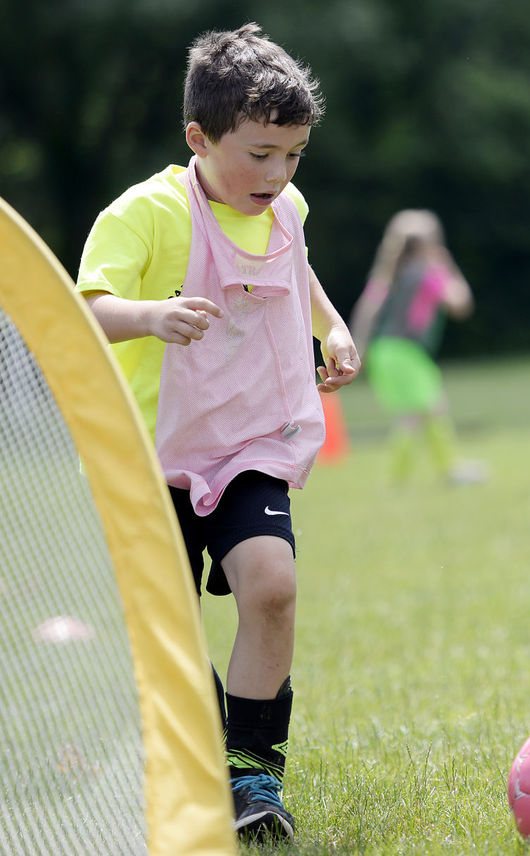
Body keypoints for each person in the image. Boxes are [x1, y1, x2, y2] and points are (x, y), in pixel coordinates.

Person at [76, 23, 358, 841]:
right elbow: (83, 311)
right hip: (149, 458)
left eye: (294, 155)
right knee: (166, 627)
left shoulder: (286, 208)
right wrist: (150, 315)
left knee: (272, 586)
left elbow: (296, 273)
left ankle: (254, 776)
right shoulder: (145, 214)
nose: (278, 175)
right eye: (261, 153)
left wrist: (331, 329)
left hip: (250, 445)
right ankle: (194, 748)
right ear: (199, 138)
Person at [350, 209, 485, 486]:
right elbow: (461, 304)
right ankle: (445, 471)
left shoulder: (388, 276)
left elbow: (367, 310)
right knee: (425, 410)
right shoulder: (427, 274)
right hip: (406, 352)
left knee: (419, 412)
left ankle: (411, 476)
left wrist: (358, 347)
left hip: (384, 351)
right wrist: (447, 268)